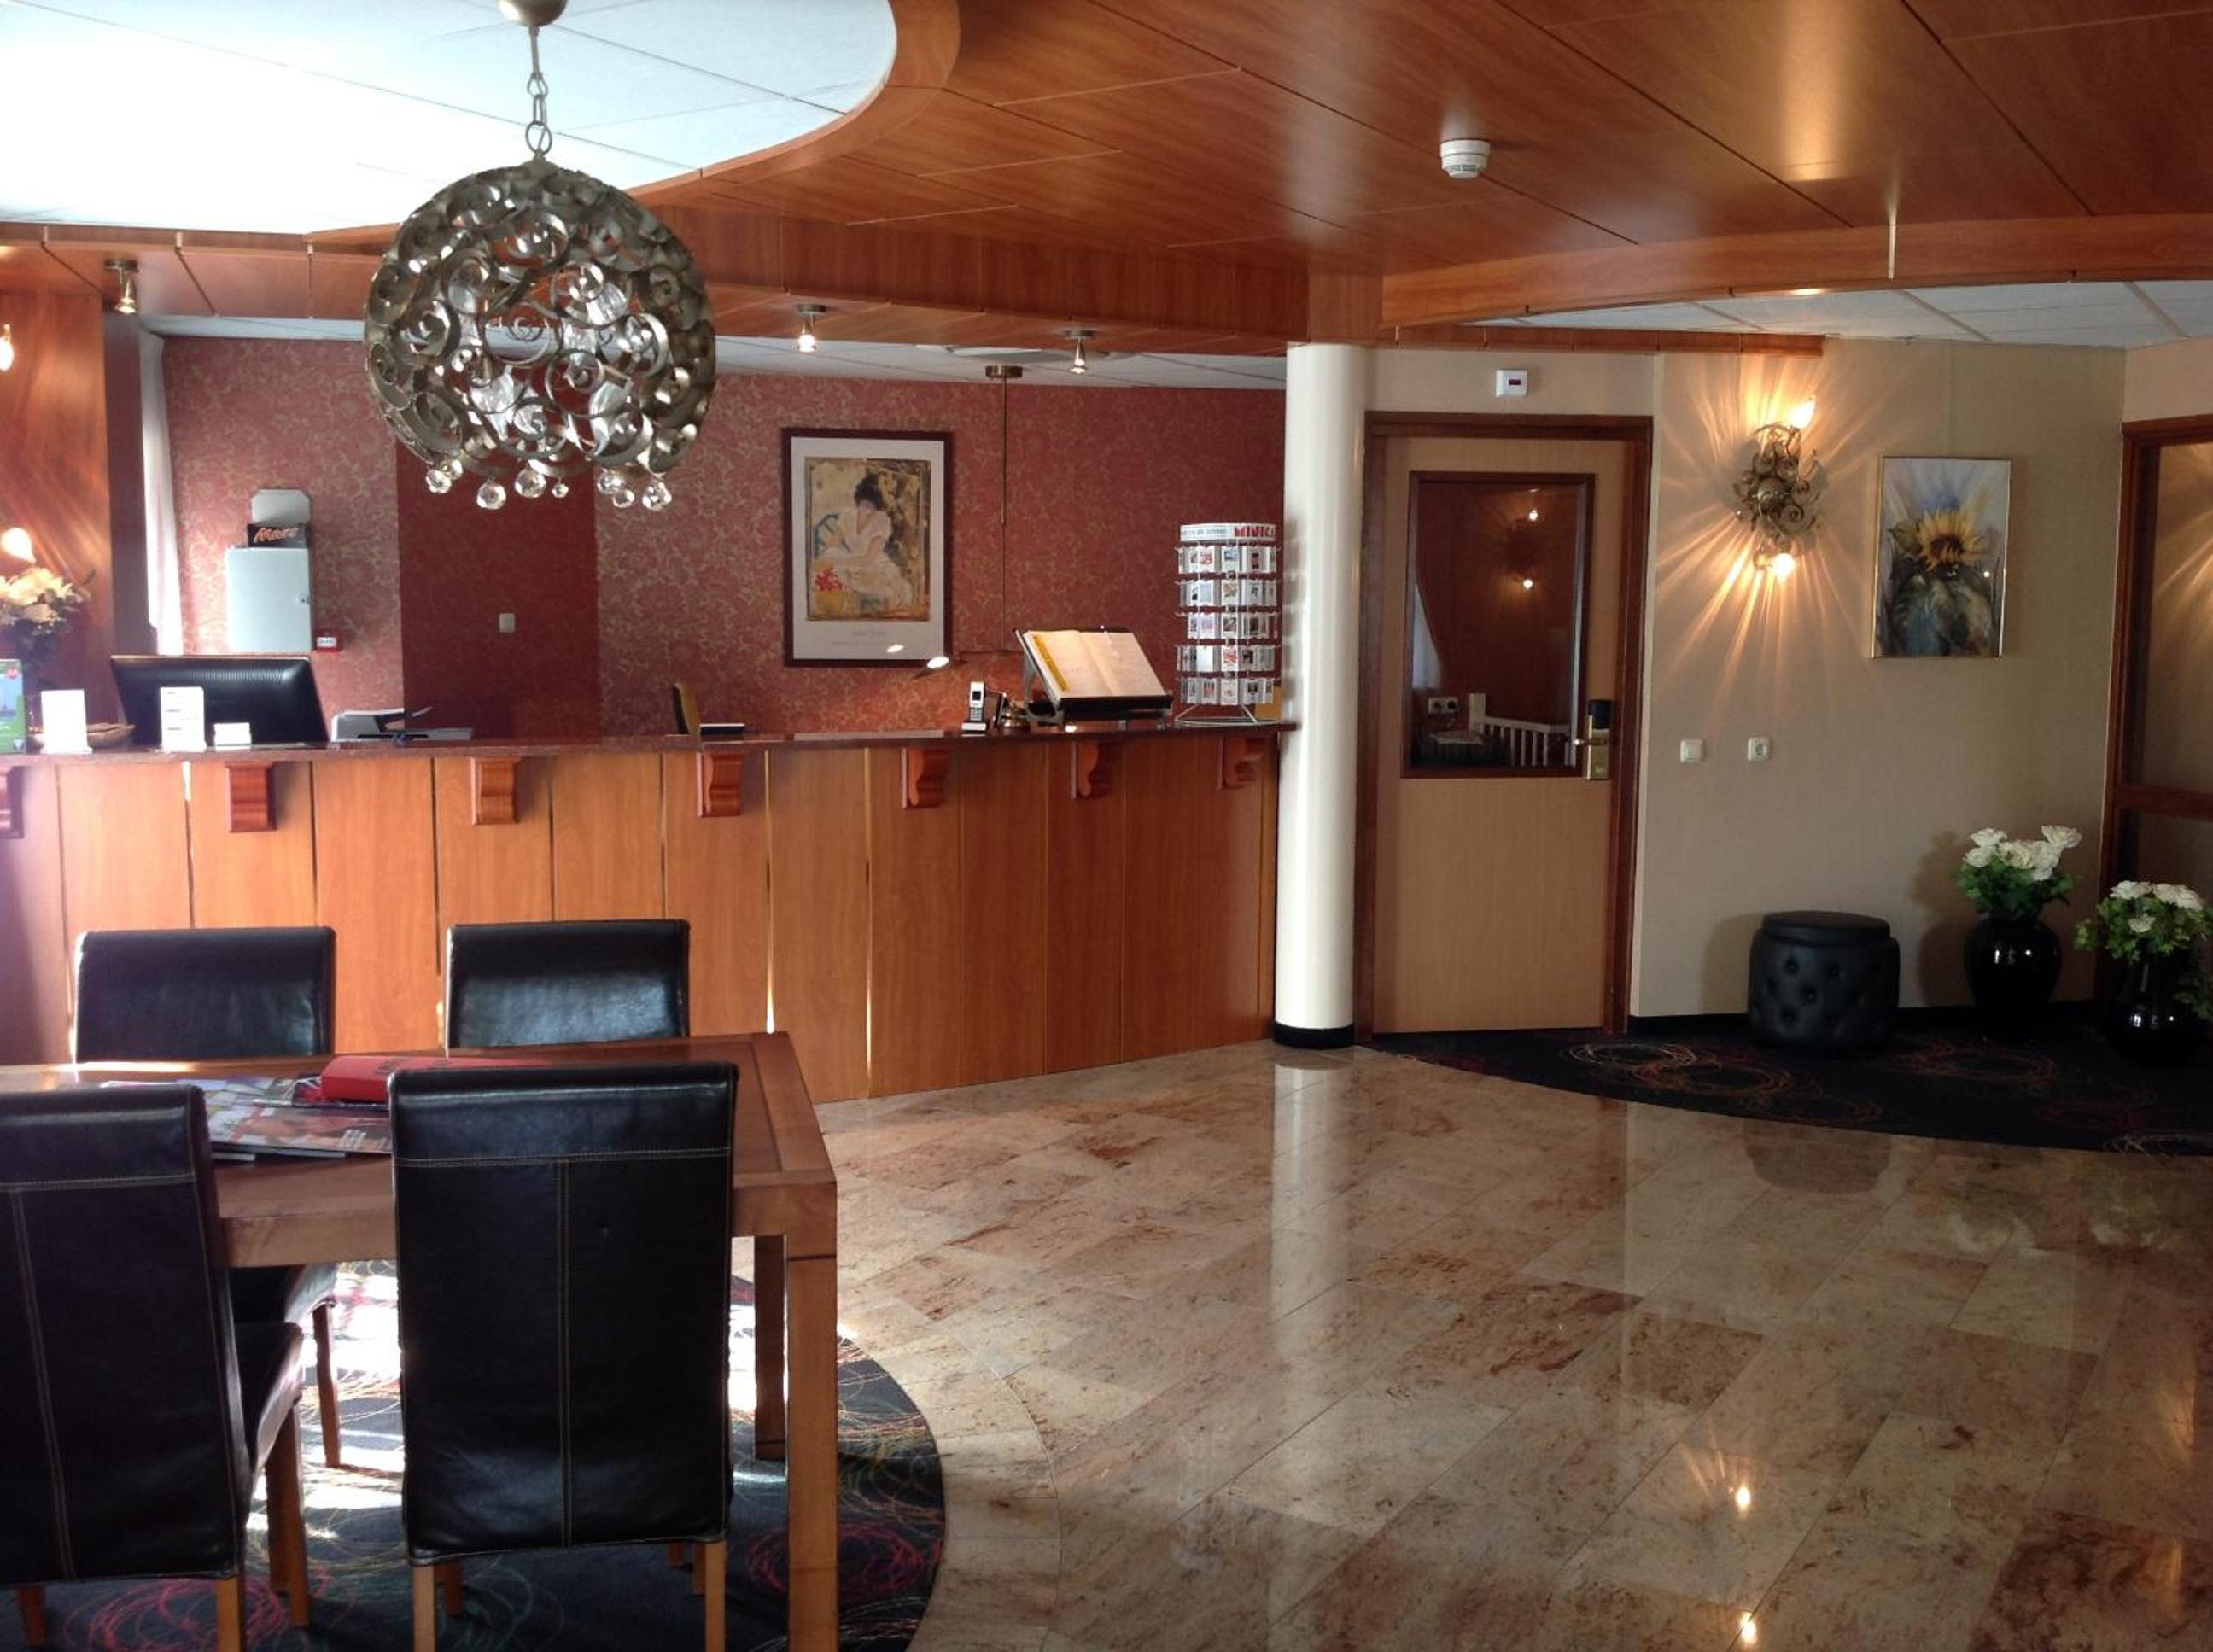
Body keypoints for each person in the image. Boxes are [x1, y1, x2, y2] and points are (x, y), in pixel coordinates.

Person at [811, 470, 917, 615]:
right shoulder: (848, 515)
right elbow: (833, 543)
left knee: (877, 583)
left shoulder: (881, 521)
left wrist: (834, 561)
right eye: (866, 505)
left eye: (873, 507)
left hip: (873, 565)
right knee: (830, 554)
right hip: (852, 560)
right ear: (858, 501)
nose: (869, 511)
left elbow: (868, 559)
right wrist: (827, 558)